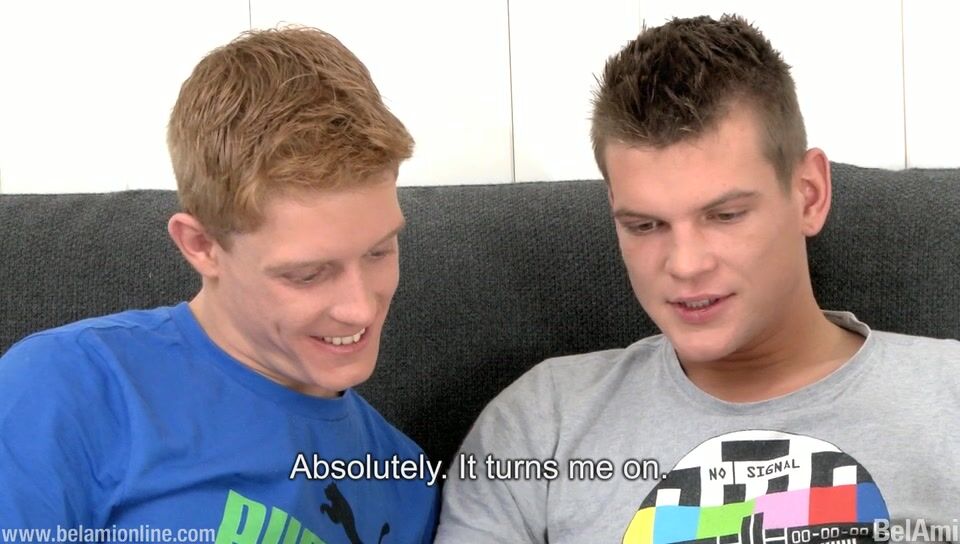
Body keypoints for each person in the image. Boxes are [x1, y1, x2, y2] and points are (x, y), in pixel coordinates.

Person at [436, 14, 960, 543]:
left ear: (809, 195)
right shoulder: (541, 422)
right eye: (645, 225)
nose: (685, 265)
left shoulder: (948, 394)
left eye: (726, 216)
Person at [0, 27, 438, 543]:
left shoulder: (408, 482)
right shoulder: (66, 390)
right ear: (201, 245)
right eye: (307, 274)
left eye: (379, 251)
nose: (360, 309)